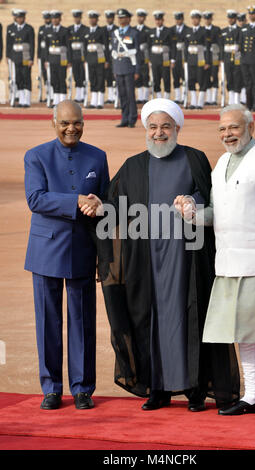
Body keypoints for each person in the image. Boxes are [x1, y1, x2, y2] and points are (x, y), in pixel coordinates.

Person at [80, 98, 240, 412]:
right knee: (148, 323)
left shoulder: (194, 159)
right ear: (146, 130)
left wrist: (193, 202)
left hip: (187, 260)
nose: (159, 133)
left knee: (189, 319)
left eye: (166, 126)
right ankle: (158, 388)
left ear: (177, 127)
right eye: (153, 126)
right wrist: (101, 208)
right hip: (146, 261)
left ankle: (195, 389)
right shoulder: (134, 165)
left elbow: (211, 201)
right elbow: (117, 207)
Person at [174, 104, 255, 422]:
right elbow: (219, 213)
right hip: (228, 262)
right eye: (222, 129)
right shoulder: (221, 163)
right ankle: (254, 394)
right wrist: (191, 214)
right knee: (243, 331)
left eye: (234, 128)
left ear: (250, 128)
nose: (228, 134)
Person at [24, 100, 110, 410]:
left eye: (77, 122)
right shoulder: (36, 156)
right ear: (54, 122)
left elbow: (106, 203)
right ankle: (51, 388)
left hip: (82, 250)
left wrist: (98, 205)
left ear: (84, 122)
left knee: (82, 320)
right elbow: (36, 199)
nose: (71, 128)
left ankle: (83, 388)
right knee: (48, 322)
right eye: (65, 123)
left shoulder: (97, 157)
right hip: (45, 250)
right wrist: (76, 202)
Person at [111, 9, 141, 127]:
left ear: (128, 19)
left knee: (130, 95)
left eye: (123, 18)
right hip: (119, 68)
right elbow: (114, 52)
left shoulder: (134, 33)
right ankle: (124, 118)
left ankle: (132, 119)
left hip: (129, 68)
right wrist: (114, 69)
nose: (120, 20)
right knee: (122, 95)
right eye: (119, 18)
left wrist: (137, 70)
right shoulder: (115, 33)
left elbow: (138, 53)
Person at [6, 9, 34, 108]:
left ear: (24, 18)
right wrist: (8, 56)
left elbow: (32, 44)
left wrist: (31, 58)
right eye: (18, 17)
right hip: (15, 57)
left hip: (26, 56)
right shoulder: (10, 28)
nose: (19, 19)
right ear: (15, 18)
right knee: (18, 78)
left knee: (26, 77)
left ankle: (27, 100)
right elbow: (9, 44)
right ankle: (22, 100)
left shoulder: (29, 28)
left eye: (21, 17)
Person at [83, 11, 109, 109]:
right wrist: (85, 60)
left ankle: (100, 102)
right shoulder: (86, 31)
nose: (92, 20)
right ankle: (93, 101)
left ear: (97, 19)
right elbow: (84, 47)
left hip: (100, 58)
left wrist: (107, 60)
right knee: (92, 79)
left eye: (94, 18)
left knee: (100, 78)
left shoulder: (102, 30)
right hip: (90, 59)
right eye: (90, 18)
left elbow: (106, 46)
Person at [45, 10, 71, 107]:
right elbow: (46, 47)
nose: (55, 20)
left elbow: (69, 46)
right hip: (52, 59)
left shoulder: (65, 30)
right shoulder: (48, 31)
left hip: (62, 59)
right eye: (53, 18)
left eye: (56, 18)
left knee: (61, 78)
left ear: (60, 19)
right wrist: (46, 59)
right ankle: (56, 100)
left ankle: (63, 101)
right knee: (54, 79)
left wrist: (69, 60)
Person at [148, 11, 174, 99]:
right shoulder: (151, 31)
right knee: (156, 79)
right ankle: (159, 98)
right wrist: (149, 60)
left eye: (159, 20)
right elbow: (149, 47)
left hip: (165, 58)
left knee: (166, 78)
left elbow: (172, 46)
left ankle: (166, 98)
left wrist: (172, 59)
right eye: (156, 20)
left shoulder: (168, 31)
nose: (158, 22)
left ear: (163, 20)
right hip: (154, 59)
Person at [221, 10, 242, 105]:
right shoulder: (224, 31)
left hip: (237, 57)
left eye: (232, 18)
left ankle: (237, 99)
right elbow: (221, 46)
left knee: (237, 77)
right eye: (229, 18)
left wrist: (238, 47)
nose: (230, 20)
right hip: (227, 58)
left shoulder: (240, 30)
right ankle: (231, 99)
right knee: (229, 77)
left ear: (235, 19)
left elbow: (242, 43)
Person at [68, 10, 87, 103]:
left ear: (80, 18)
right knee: (76, 76)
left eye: (78, 17)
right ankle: (78, 95)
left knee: (82, 75)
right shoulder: (69, 29)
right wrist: (69, 59)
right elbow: (68, 46)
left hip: (81, 57)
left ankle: (83, 94)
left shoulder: (85, 29)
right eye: (75, 17)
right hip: (73, 57)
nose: (76, 19)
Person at [134, 9, 151, 104]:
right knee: (138, 77)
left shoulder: (147, 30)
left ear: (144, 18)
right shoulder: (133, 29)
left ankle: (145, 97)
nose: (140, 18)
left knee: (145, 77)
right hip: (135, 57)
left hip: (144, 57)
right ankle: (140, 97)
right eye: (139, 16)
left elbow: (149, 45)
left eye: (142, 17)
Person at [37, 11, 52, 103]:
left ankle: (53, 94)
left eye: (48, 18)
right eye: (45, 18)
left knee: (52, 75)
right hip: (42, 55)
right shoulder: (41, 28)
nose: (46, 20)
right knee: (44, 75)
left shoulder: (53, 29)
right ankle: (47, 94)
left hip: (50, 55)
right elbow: (39, 44)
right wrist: (38, 56)